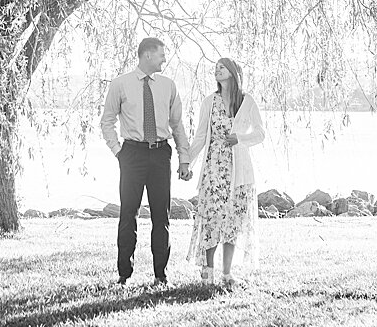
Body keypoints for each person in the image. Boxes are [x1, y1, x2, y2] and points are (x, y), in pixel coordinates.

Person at [100, 36, 193, 286]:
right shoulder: (121, 84)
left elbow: (177, 125)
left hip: (161, 154)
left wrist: (184, 160)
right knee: (128, 214)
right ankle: (124, 275)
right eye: (162, 54)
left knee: (161, 217)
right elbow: (107, 121)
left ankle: (160, 275)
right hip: (131, 154)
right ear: (148, 55)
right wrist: (118, 151)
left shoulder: (168, 85)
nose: (165, 58)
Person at [187, 57, 265, 286]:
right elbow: (201, 136)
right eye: (216, 68)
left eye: (221, 67)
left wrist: (239, 139)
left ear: (232, 72)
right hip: (214, 169)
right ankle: (208, 271)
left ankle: (227, 273)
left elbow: (260, 133)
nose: (217, 70)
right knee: (212, 218)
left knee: (233, 222)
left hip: (240, 172)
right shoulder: (210, 102)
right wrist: (187, 162)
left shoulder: (247, 101)